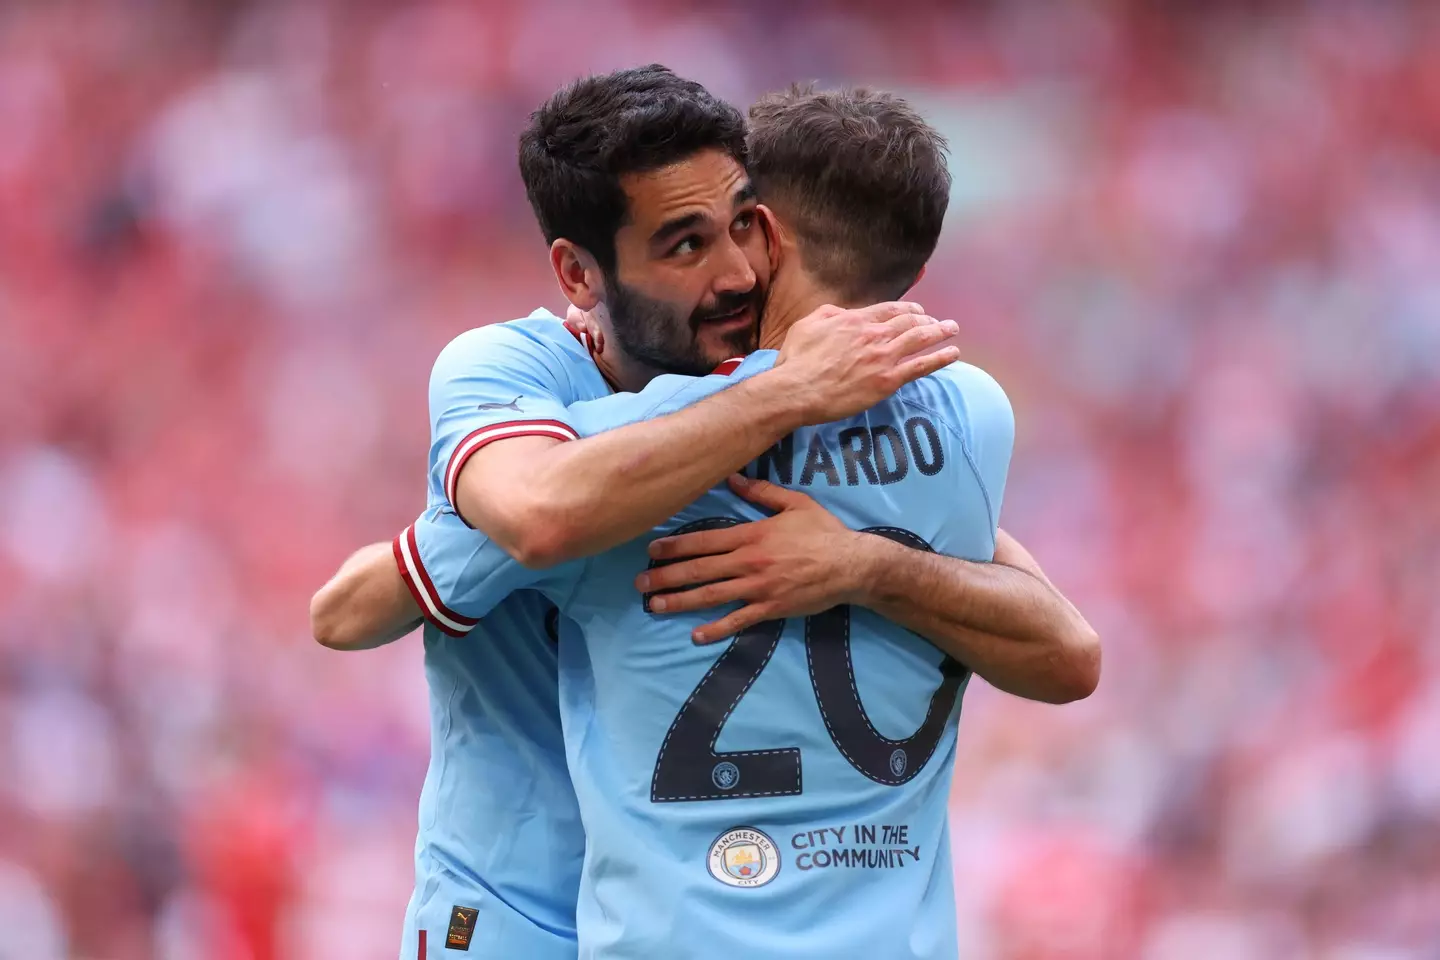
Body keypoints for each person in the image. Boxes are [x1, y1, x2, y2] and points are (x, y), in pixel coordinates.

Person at [312, 68, 1097, 959]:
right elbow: (411, 577)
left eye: (738, 230)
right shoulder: (517, 381)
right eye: (684, 246)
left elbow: (1059, 641)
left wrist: (864, 560)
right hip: (511, 913)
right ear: (579, 272)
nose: (731, 274)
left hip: (675, 915)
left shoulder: (812, 408)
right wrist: (785, 392)